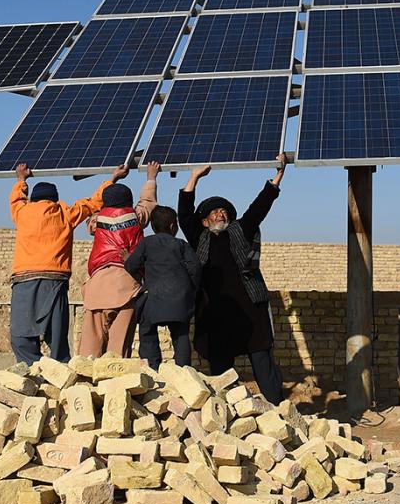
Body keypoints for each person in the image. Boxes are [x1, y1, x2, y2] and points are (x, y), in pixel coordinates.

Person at [177, 153, 287, 403]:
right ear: (204, 221)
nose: (221, 214)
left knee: (262, 360)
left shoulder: (241, 230)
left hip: (250, 309)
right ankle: (226, 412)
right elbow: (184, 214)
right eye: (215, 212)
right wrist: (194, 177)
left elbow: (259, 208)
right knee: (221, 370)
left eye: (224, 211)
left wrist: (278, 175)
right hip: (214, 311)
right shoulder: (198, 237)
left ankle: (278, 409)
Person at [9, 162, 128, 364]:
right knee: (56, 335)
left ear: (33, 199)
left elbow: (16, 198)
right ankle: (59, 369)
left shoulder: (22, 213)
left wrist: (21, 179)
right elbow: (94, 202)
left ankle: (32, 368)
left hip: (23, 280)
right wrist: (113, 178)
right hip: (54, 281)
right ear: (55, 199)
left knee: (20, 334)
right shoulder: (65, 213)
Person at [78, 162, 161, 358]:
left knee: (90, 348)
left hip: (98, 286)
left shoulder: (95, 221)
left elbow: (93, 204)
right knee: (119, 347)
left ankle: (86, 382)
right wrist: (151, 177)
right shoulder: (136, 216)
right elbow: (148, 202)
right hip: (127, 285)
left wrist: (112, 177)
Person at [124, 205, 202, 370]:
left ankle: (152, 368)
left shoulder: (147, 243)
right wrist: (191, 290)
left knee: (147, 330)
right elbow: (195, 268)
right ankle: (184, 371)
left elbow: (131, 266)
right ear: (173, 226)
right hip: (180, 299)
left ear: (152, 226)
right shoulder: (181, 244)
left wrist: (127, 258)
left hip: (154, 299)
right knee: (180, 336)